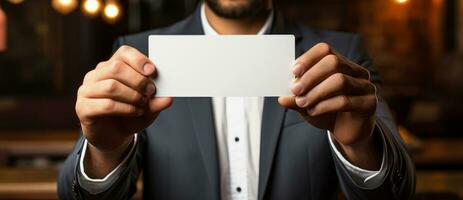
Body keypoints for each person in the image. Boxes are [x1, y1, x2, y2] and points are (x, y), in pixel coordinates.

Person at [58, 0, 415, 199]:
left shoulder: (341, 57)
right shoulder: (137, 54)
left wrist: (361, 146)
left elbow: (395, 194)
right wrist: (105, 152)